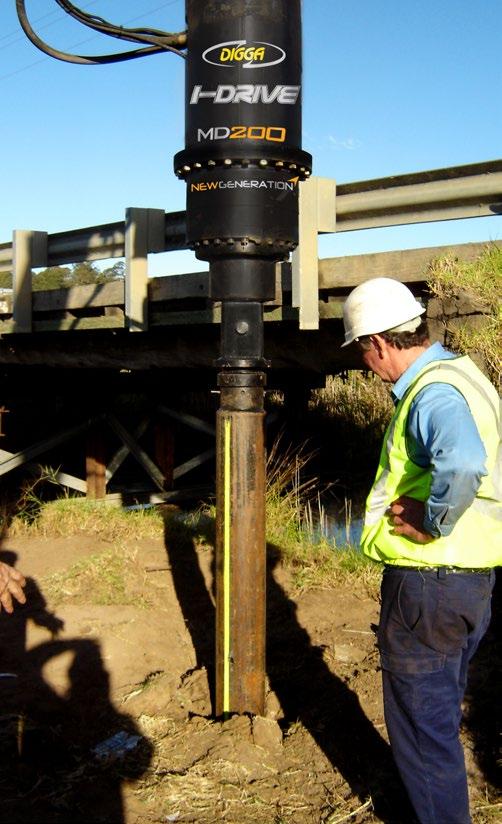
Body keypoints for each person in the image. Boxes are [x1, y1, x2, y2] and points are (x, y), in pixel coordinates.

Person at [341, 277, 501, 824]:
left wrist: (432, 523)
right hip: (471, 581)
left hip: (428, 584)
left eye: (363, 350)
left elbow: (461, 463)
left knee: (421, 729)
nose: (365, 364)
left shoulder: (432, 392)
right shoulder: (466, 375)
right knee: (438, 716)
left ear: (380, 342)